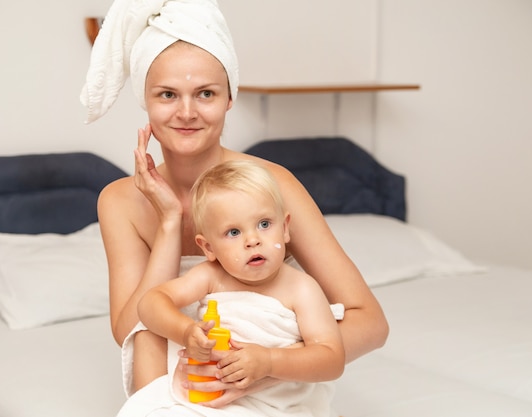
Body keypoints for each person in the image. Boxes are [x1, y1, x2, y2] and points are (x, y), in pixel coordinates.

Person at [81, 0, 388, 408]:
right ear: (147, 102)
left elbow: (370, 322)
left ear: (229, 98)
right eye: (168, 94)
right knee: (147, 332)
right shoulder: (119, 201)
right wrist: (170, 221)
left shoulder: (272, 184)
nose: (186, 112)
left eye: (205, 93)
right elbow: (132, 332)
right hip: (178, 378)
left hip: (272, 378)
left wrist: (262, 370)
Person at [127, 159, 345, 414]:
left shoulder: (302, 289)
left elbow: (332, 359)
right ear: (208, 248)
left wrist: (269, 361)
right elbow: (150, 303)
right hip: (214, 400)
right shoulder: (211, 276)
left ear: (285, 229)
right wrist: (185, 332)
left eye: (264, 224)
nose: (253, 240)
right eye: (233, 232)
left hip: (279, 404)